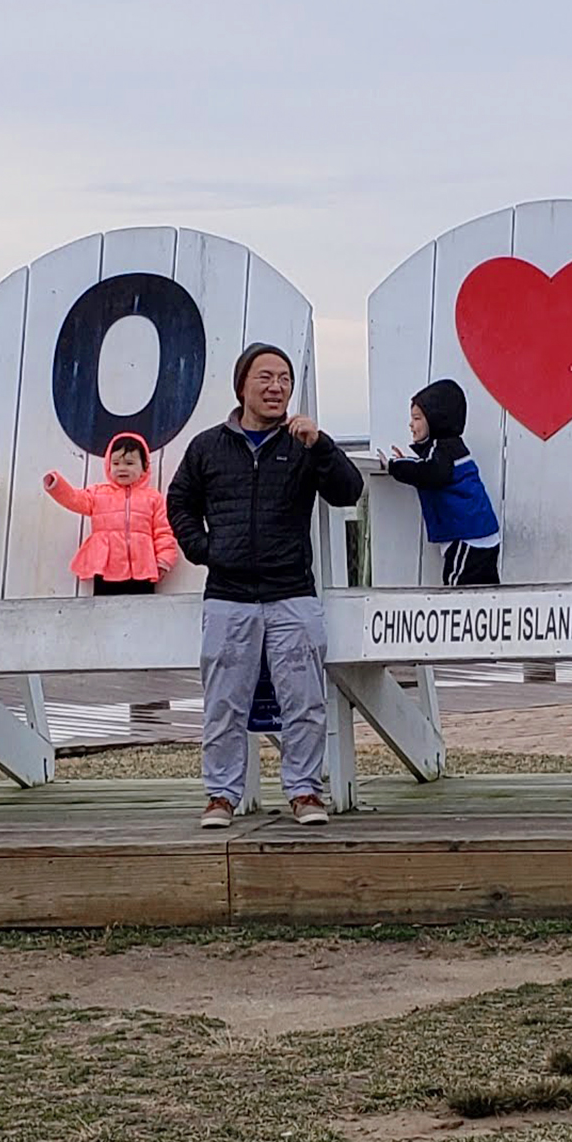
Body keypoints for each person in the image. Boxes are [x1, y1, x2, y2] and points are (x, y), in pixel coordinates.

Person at [166, 342, 365, 830]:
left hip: (292, 593)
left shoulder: (303, 445)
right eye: (265, 378)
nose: (276, 388)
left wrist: (321, 446)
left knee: (304, 700)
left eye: (285, 380)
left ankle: (303, 790)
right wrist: (204, 549)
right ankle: (221, 795)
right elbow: (180, 501)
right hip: (228, 597)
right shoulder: (207, 446)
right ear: (242, 386)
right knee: (223, 703)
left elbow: (348, 491)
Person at [380, 378, 502, 584]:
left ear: (436, 419)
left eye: (417, 418)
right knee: (484, 596)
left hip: (468, 538)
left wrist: (395, 466)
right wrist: (409, 463)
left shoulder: (442, 450)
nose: (411, 424)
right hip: (479, 535)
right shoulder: (450, 448)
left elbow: (430, 473)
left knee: (457, 594)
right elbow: (428, 469)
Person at [41, 431, 179, 594]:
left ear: (144, 468)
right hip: (107, 569)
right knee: (104, 611)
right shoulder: (98, 493)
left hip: (143, 568)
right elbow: (74, 499)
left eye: (129, 463)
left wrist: (164, 560)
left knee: (141, 613)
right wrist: (56, 485)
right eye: (116, 463)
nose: (122, 468)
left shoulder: (153, 498)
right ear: (108, 466)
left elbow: (164, 532)